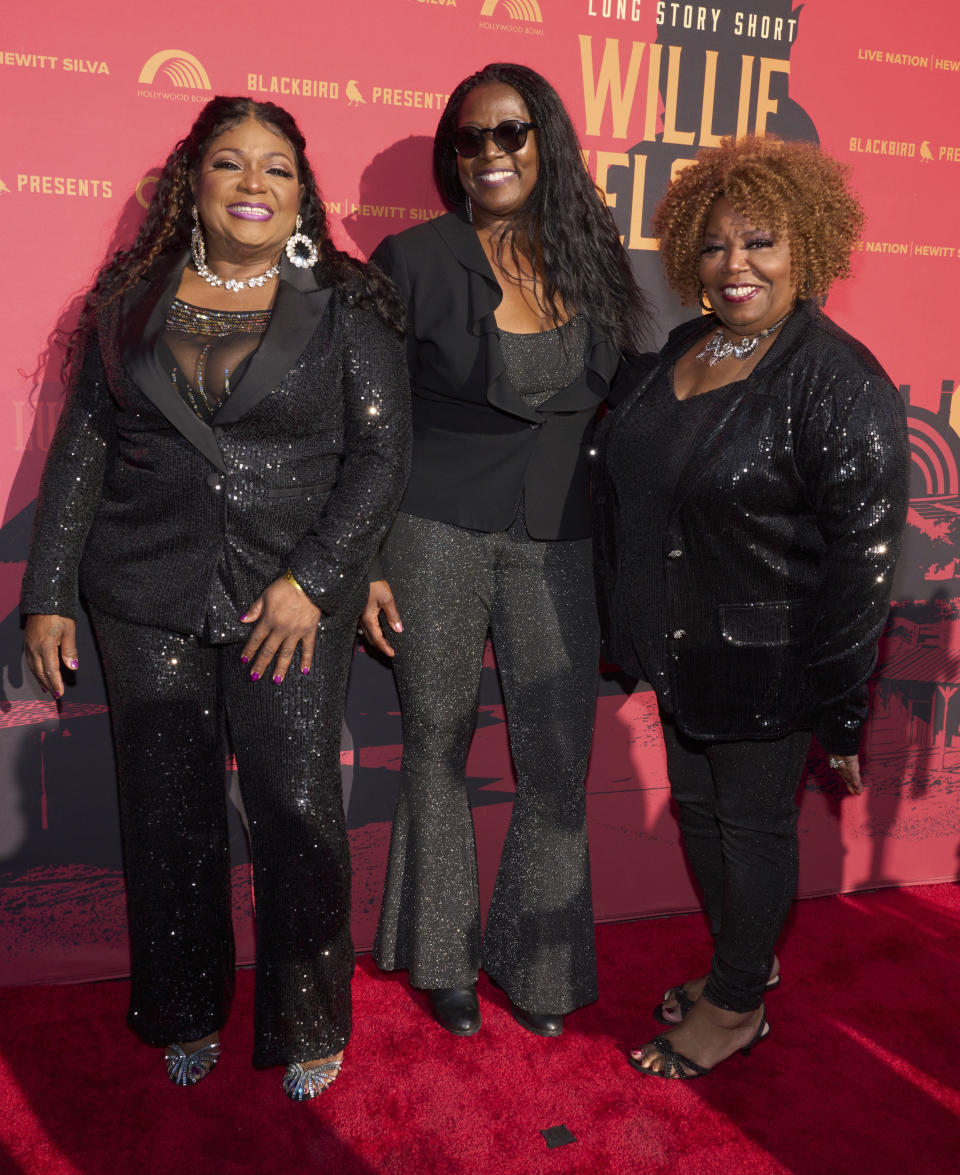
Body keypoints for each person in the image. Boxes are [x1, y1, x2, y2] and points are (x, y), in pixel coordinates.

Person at [21, 97, 410, 1100]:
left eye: (276, 169)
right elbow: (84, 450)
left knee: (295, 809)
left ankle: (311, 1016)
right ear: (192, 184)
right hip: (143, 591)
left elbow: (379, 459)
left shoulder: (345, 307)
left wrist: (312, 582)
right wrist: (49, 588)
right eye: (230, 164)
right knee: (165, 816)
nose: (252, 185)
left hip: (286, 603)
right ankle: (183, 1002)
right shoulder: (131, 308)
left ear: (301, 194)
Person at [593, 135, 909, 1077]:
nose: (736, 267)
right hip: (684, 651)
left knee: (754, 826)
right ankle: (742, 965)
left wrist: (840, 702)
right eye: (717, 245)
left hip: (768, 660)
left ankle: (735, 1009)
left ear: (806, 247)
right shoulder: (688, 344)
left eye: (761, 243)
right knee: (699, 813)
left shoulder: (838, 379)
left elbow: (867, 557)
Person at [358, 63, 649, 1038]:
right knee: (436, 743)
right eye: (470, 139)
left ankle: (540, 959)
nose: (489, 153)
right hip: (432, 529)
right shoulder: (414, 258)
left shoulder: (597, 260)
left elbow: (641, 397)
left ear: (547, 139)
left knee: (558, 757)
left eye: (511, 132)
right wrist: (366, 563)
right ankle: (442, 954)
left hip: (555, 532)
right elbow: (373, 427)